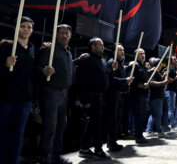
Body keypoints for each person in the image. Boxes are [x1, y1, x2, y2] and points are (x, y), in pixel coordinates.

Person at [0, 17, 35, 164]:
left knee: (18, 133)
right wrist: (5, 65)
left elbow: (33, 73)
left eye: (28, 27)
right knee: (2, 132)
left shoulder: (32, 48)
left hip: (25, 98)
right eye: (22, 26)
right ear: (16, 29)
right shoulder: (6, 47)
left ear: (32, 30)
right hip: (6, 97)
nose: (25, 29)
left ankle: (13, 161)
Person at [37, 24, 73, 164]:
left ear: (70, 36)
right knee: (50, 128)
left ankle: (56, 157)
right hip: (51, 93)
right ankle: (44, 159)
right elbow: (38, 68)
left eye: (67, 33)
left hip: (64, 95)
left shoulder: (68, 51)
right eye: (62, 33)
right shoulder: (49, 49)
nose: (64, 35)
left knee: (60, 127)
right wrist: (43, 71)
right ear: (56, 35)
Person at [77, 37, 111, 159]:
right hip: (92, 96)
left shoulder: (101, 61)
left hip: (100, 97)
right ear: (93, 46)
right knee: (95, 124)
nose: (103, 47)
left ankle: (84, 148)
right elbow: (81, 80)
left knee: (93, 123)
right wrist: (84, 99)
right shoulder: (87, 59)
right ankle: (98, 149)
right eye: (100, 44)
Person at [105, 44, 134, 151]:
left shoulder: (120, 64)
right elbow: (110, 79)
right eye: (120, 50)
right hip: (112, 95)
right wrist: (124, 80)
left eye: (123, 50)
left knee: (117, 119)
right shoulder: (111, 63)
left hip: (119, 95)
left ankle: (113, 141)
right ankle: (111, 143)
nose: (122, 52)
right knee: (112, 120)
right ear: (114, 52)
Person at [128, 48, 149, 144]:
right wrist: (140, 85)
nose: (143, 55)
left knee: (141, 115)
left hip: (143, 94)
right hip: (137, 94)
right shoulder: (134, 65)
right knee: (138, 116)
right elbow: (131, 79)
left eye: (143, 53)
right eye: (140, 54)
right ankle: (138, 136)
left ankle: (137, 134)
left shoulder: (143, 66)